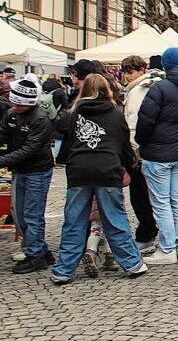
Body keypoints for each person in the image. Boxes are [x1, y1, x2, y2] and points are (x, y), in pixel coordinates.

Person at [51, 75, 147, 284]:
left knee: (73, 222)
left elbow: (67, 144)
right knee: (115, 219)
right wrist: (129, 165)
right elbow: (123, 144)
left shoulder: (75, 113)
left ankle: (64, 269)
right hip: (108, 169)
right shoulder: (114, 114)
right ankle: (132, 263)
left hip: (79, 171)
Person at [136, 47, 178, 265]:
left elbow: (145, 120)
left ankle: (167, 248)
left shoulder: (160, 88)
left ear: (164, 65)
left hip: (158, 151)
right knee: (177, 199)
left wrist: (141, 141)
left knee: (161, 201)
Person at [0, 79, 55, 273]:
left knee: (32, 215)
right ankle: (41, 249)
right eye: (15, 103)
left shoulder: (40, 118)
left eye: (20, 104)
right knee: (18, 214)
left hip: (37, 171)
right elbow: (2, 136)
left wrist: (3, 160)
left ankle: (35, 255)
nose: (16, 106)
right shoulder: (11, 114)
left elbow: (29, 149)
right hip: (20, 170)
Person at [120, 55, 161, 254]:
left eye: (130, 71)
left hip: (138, 148)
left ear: (141, 70)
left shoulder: (140, 90)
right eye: (125, 71)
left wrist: (134, 147)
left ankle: (147, 233)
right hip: (146, 147)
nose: (127, 76)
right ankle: (150, 231)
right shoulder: (144, 87)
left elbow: (135, 122)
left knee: (141, 195)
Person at [40, 76, 69, 156]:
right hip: (57, 115)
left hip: (45, 114)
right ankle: (56, 155)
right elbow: (65, 104)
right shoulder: (60, 91)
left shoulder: (43, 89)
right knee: (58, 137)